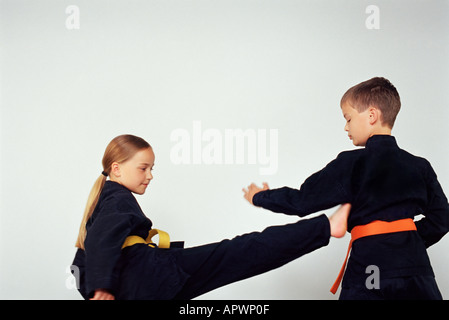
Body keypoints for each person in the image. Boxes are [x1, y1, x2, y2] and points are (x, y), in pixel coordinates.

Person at [72, 134, 350, 300]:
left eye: (152, 168)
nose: (150, 175)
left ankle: (326, 228)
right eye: (143, 168)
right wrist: (101, 287)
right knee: (240, 250)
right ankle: (327, 227)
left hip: (145, 283)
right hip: (149, 279)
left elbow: (88, 252)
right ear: (117, 169)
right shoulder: (116, 198)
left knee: (239, 253)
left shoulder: (106, 199)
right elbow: (100, 241)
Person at [244, 77, 449, 300]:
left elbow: (303, 201)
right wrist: (408, 240)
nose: (346, 127)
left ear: (372, 115)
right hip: (416, 268)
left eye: (348, 118)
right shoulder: (420, 166)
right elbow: (443, 218)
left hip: (372, 268)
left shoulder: (350, 164)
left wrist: (261, 197)